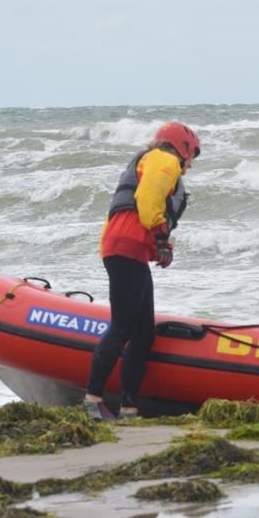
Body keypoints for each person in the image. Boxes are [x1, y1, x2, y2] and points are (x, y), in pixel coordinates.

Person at [82, 121, 200, 420]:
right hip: (125, 248)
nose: (190, 164)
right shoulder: (164, 159)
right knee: (122, 326)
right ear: (182, 147)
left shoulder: (152, 160)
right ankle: (92, 398)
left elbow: (146, 209)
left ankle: (129, 405)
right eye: (192, 156)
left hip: (129, 250)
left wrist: (159, 245)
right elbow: (148, 203)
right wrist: (161, 238)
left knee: (143, 333)